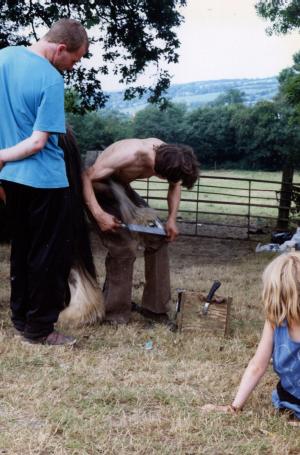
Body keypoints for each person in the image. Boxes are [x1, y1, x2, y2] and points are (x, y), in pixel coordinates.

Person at [0, 19, 88, 345]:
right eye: (75, 59)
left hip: (10, 180)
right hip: (45, 181)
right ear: (60, 48)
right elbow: (38, 143)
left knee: (22, 250)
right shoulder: (50, 79)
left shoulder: (3, 58)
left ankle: (21, 319)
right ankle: (40, 330)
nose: (72, 66)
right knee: (50, 257)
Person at [82, 138, 199, 325]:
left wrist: (171, 219)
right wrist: (99, 215)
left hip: (120, 186)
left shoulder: (171, 158)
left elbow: (175, 185)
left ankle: (155, 309)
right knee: (123, 247)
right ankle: (114, 314)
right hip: (96, 186)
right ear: (160, 172)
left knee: (159, 238)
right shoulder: (130, 155)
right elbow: (86, 177)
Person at [202, 252, 300, 422]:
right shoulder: (275, 320)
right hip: (289, 401)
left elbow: (257, 366)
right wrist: (234, 407)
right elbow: (257, 365)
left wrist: (234, 407)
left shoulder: (276, 317)